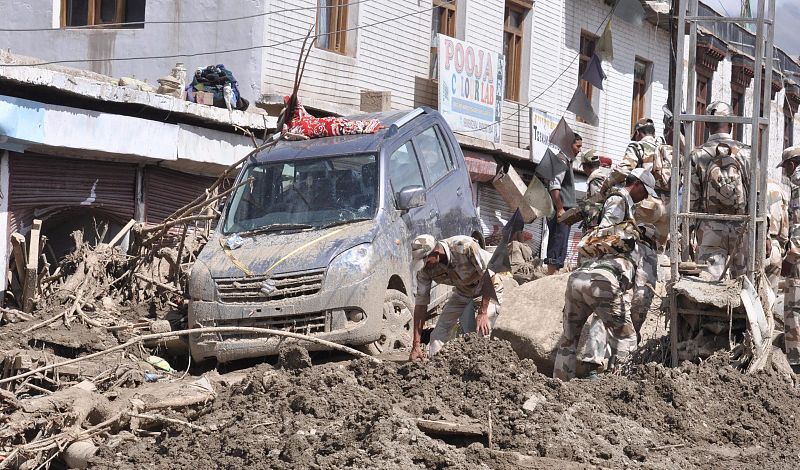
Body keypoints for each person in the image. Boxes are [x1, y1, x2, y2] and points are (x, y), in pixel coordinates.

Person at [553, 168, 659, 380]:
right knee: (627, 341)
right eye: (645, 191)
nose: (645, 196)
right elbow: (606, 231)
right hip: (603, 280)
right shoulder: (620, 201)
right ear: (636, 184)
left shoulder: (621, 202)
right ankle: (619, 390)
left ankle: (559, 385)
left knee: (568, 339)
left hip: (579, 278)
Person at [409, 234, 504, 361]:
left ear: (436, 252)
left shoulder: (463, 246)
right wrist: (416, 343)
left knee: (482, 332)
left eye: (426, 261)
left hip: (488, 288)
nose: (424, 266)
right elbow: (421, 305)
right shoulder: (424, 271)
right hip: (463, 291)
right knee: (438, 334)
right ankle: (437, 368)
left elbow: (489, 275)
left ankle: (480, 370)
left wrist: (483, 312)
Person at [689, 101, 751, 279]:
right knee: (744, 283)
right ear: (731, 124)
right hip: (742, 226)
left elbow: (692, 198)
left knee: (710, 284)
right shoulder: (746, 153)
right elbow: (756, 194)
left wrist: (689, 232)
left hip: (710, 227)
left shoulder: (697, 154)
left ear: (707, 124)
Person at [603, 117, 670, 250]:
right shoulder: (664, 150)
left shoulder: (637, 146)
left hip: (646, 204)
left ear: (638, 133)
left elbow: (624, 170)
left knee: (635, 241)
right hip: (666, 208)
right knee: (657, 247)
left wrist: (606, 185)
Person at [777, 146, 800, 373]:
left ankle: (796, 361)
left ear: (791, 164)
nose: (785, 173)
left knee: (794, 307)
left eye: (785, 168)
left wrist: (790, 257)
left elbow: (799, 226)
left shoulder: (798, 184)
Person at [545, 133, 582, 274]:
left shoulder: (567, 161)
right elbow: (554, 187)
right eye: (577, 146)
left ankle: (554, 274)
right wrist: (560, 208)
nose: (579, 150)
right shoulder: (561, 160)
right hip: (560, 210)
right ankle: (550, 275)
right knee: (557, 242)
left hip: (565, 210)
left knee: (561, 243)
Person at [766, 178, 789, 294]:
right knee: (770, 294)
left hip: (757, 243)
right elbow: (785, 225)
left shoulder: (754, 187)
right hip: (775, 246)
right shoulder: (780, 190)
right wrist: (783, 247)